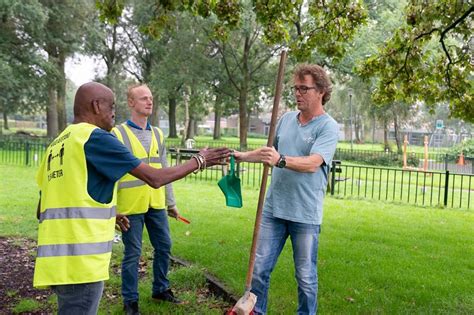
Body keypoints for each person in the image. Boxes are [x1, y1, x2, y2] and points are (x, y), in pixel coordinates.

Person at [33, 82, 230, 315]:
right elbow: (154, 178)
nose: (114, 112)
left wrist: (109, 214)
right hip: (80, 262)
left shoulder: (59, 143)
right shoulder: (94, 138)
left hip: (56, 259)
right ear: (96, 106)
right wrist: (199, 160)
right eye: (111, 106)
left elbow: (43, 207)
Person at [234, 64, 339, 315]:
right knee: (260, 269)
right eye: (295, 88)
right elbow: (269, 153)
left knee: (305, 277)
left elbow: (314, 163)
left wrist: (281, 160)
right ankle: (258, 312)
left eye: (304, 88)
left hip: (305, 214)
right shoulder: (285, 120)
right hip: (274, 209)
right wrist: (240, 156)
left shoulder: (328, 127)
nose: (298, 93)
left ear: (321, 91)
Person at [111, 84, 183, 314]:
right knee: (133, 252)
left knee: (165, 246)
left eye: (151, 98)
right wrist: (112, 209)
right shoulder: (118, 134)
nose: (149, 102)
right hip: (130, 205)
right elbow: (110, 174)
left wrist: (171, 203)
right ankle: (130, 301)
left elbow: (165, 171)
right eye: (143, 98)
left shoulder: (158, 134)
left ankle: (160, 288)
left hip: (156, 203)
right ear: (131, 103)